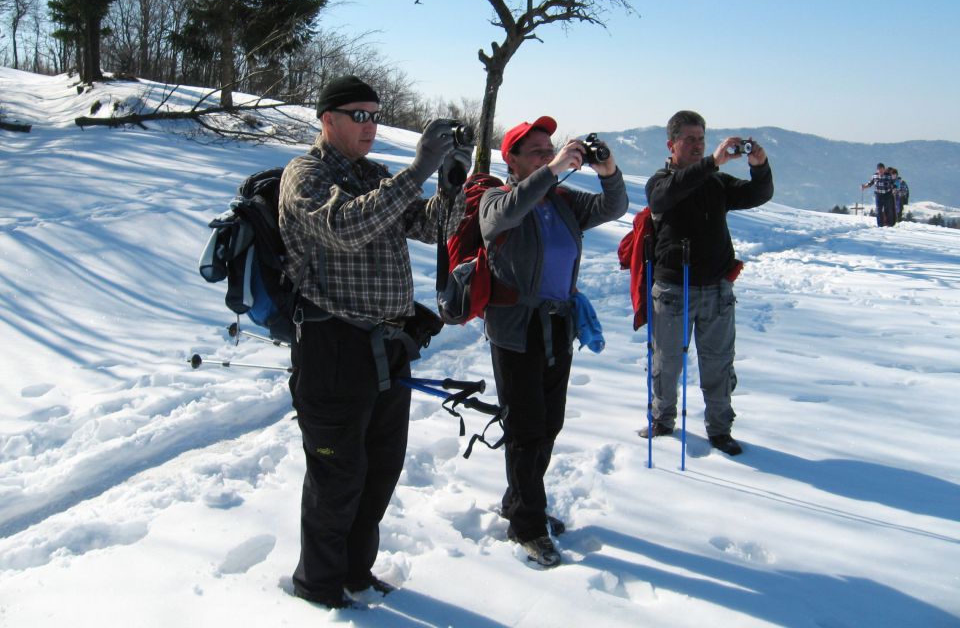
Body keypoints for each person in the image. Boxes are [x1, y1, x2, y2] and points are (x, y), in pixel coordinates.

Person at [278, 75, 470, 609]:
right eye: (358, 114)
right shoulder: (305, 175)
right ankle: (317, 586)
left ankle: (355, 573)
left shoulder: (375, 174)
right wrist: (416, 171)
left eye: (375, 114)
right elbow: (344, 227)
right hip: (331, 346)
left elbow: (430, 227)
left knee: (381, 467)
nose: (370, 124)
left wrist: (451, 184)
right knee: (337, 473)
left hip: (387, 345)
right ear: (328, 120)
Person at [479, 117, 628, 567]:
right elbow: (504, 216)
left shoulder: (561, 200)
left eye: (551, 150)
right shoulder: (495, 199)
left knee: (549, 423)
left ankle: (522, 502)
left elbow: (614, 207)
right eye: (537, 152)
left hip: (559, 324)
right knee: (525, 429)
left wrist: (608, 171)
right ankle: (527, 523)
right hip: (515, 329)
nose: (547, 157)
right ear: (513, 161)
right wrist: (555, 167)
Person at [642, 110, 774, 457]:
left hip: (717, 289)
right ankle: (662, 418)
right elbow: (662, 198)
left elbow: (758, 194)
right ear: (671, 144)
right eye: (690, 139)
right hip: (673, 289)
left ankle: (719, 429)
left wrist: (759, 166)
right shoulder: (661, 181)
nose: (698, 145)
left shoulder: (716, 183)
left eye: (701, 139)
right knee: (665, 362)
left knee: (718, 364)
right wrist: (713, 163)